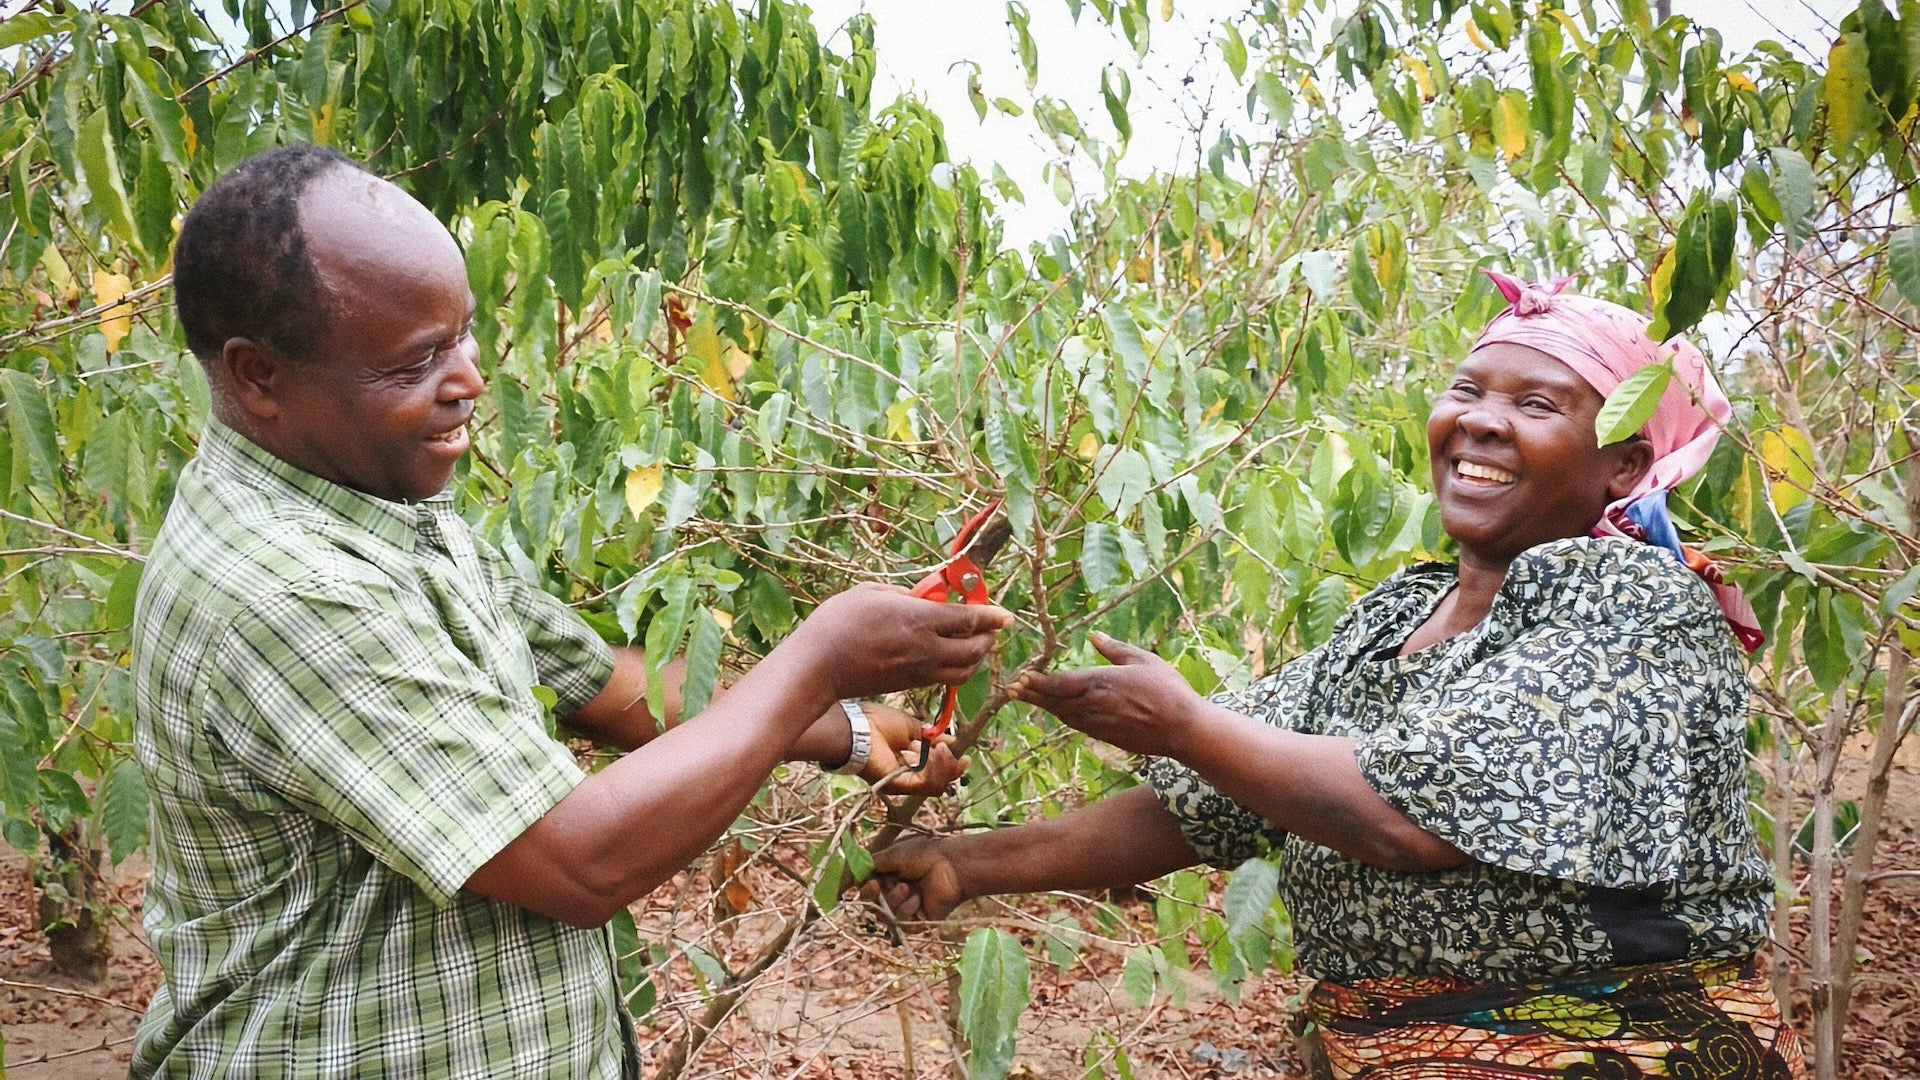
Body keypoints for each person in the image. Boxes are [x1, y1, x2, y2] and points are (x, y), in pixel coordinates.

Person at [131, 144, 1010, 1079]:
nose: (469, 377)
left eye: (462, 333)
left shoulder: (377, 501)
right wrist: (821, 660)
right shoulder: (284, 588)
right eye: (416, 360)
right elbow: (580, 863)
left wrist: (836, 727)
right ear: (259, 376)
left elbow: (593, 681)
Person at [868, 272, 1805, 1079]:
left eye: (1536, 405)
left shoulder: (1636, 608)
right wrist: (964, 862)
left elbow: (1409, 821)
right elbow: (1213, 799)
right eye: (1468, 389)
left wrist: (1185, 723)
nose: (1480, 422)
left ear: (1624, 465)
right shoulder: (1399, 615)